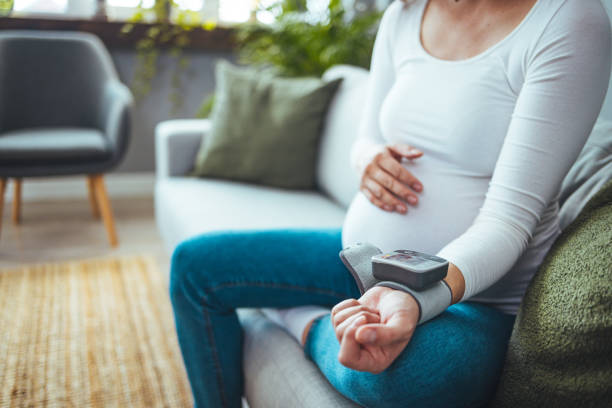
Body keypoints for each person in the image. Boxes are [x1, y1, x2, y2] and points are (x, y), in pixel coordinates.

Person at [169, 0, 611, 407]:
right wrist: (367, 159)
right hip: (363, 258)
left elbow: (508, 221)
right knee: (195, 267)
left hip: (475, 298)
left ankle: (302, 322)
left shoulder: (567, 21)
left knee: (414, 378)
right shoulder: (404, 14)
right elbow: (367, 137)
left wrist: (416, 295)